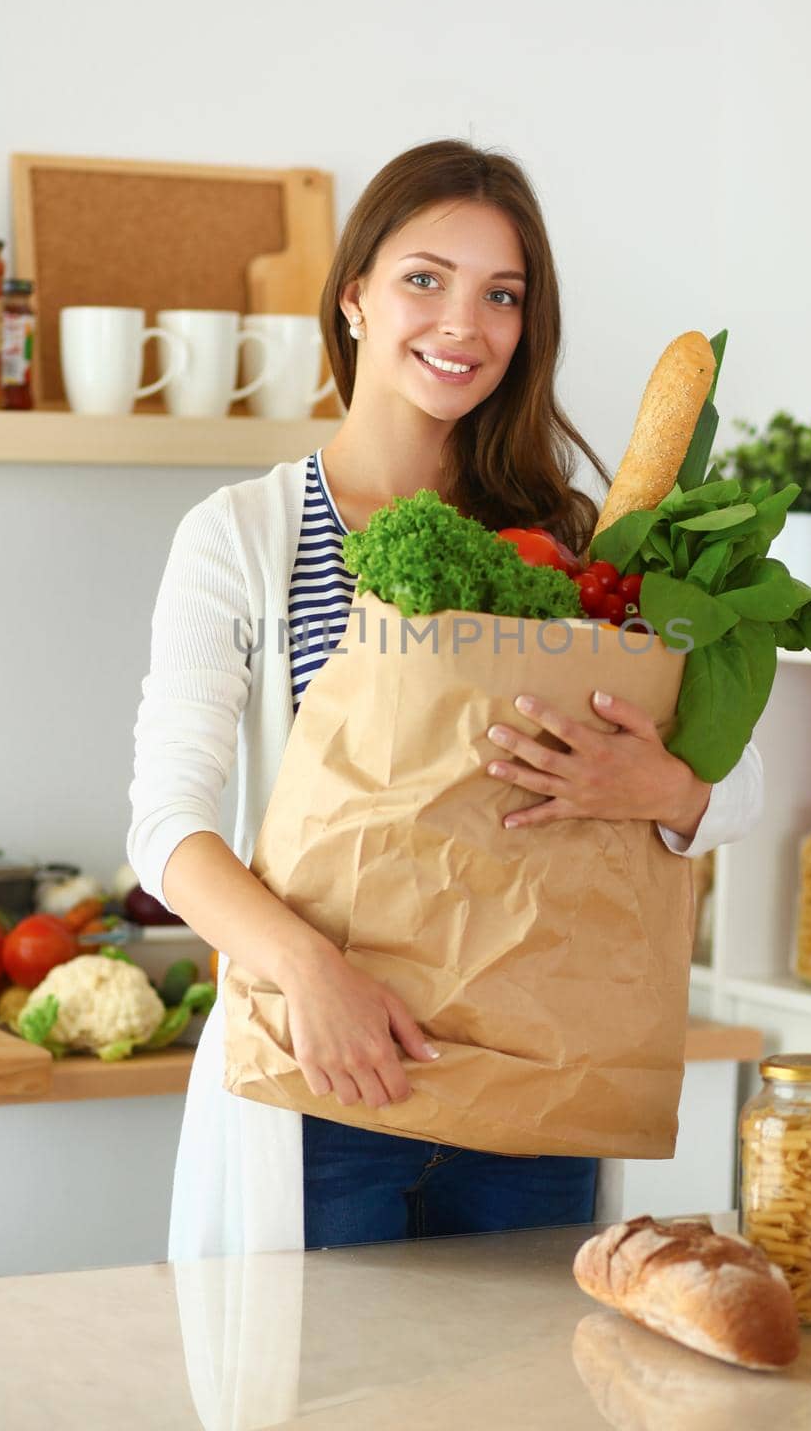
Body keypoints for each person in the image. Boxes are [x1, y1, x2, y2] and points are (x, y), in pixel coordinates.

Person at [127, 138, 764, 1260]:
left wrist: (658, 784)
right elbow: (165, 826)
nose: (462, 323)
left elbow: (746, 781)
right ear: (356, 296)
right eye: (425, 278)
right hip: (323, 1081)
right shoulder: (241, 537)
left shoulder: (586, 545)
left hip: (535, 1085)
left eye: (500, 295)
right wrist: (309, 973)